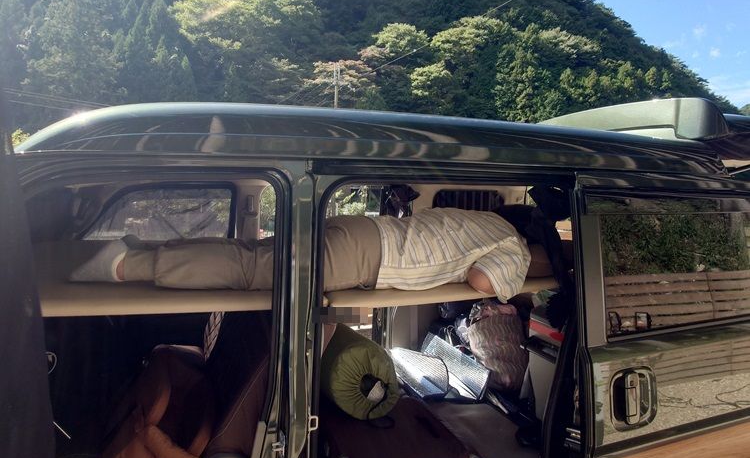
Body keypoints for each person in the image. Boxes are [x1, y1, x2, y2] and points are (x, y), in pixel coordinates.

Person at [71, 207, 531, 301]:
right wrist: (532, 265)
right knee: (250, 270)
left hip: (364, 228)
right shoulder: (515, 245)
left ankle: (141, 248)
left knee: (251, 251)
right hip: (370, 256)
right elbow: (483, 282)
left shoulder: (488, 218)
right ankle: (125, 265)